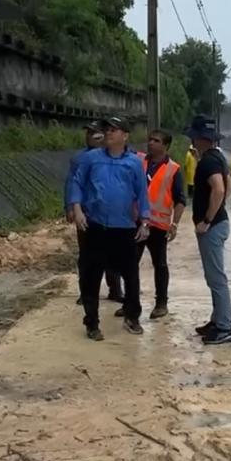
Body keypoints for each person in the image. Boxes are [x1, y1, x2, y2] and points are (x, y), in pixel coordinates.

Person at [70, 116, 150, 341]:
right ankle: (92, 323)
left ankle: (132, 318)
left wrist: (145, 221)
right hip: (96, 226)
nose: (108, 133)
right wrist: (77, 210)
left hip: (123, 228)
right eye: (107, 130)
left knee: (131, 275)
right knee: (91, 276)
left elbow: (142, 192)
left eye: (114, 130)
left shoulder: (134, 162)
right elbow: (77, 182)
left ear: (125, 136)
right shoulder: (91, 159)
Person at [115, 130, 186, 320]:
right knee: (130, 264)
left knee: (160, 264)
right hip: (136, 222)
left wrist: (175, 224)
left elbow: (180, 200)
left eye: (156, 141)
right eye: (150, 140)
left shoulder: (173, 169)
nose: (151, 143)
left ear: (166, 146)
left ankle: (161, 303)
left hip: (159, 225)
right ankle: (130, 303)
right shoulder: (138, 161)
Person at [185, 115, 231, 345]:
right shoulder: (218, 158)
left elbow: (218, 189)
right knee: (213, 276)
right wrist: (218, 209)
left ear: (199, 138)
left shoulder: (208, 162)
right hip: (219, 223)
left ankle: (225, 326)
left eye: (194, 137)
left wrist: (207, 218)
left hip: (213, 227)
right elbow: (230, 187)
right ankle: (217, 320)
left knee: (216, 278)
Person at [65, 121, 124, 304]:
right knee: (87, 255)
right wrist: (70, 207)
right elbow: (71, 183)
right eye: (88, 133)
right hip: (87, 213)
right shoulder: (79, 159)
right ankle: (87, 292)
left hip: (111, 213)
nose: (90, 136)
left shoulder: (115, 157)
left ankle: (115, 289)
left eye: (94, 133)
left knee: (113, 252)